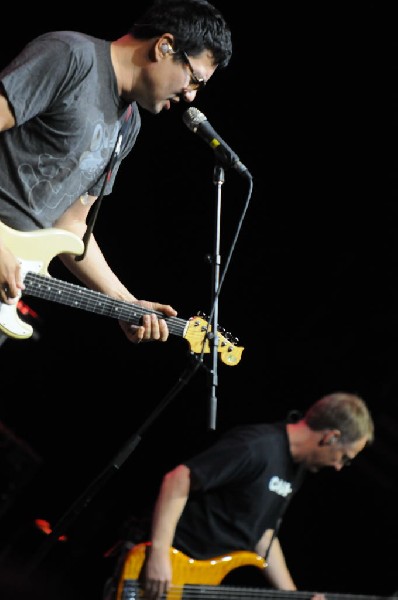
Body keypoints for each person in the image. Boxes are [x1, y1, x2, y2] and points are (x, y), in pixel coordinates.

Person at [0, 0, 232, 344]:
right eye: (194, 78)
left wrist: (125, 303)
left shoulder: (128, 124)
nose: (190, 96)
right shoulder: (70, 56)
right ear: (163, 46)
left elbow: (72, 225)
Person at [125, 391, 374, 599]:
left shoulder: (296, 470)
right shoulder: (257, 446)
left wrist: (292, 595)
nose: (339, 467)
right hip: (162, 567)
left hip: (197, 581)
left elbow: (262, 535)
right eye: (345, 457)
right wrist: (159, 554)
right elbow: (178, 479)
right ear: (331, 437)